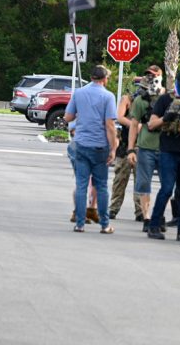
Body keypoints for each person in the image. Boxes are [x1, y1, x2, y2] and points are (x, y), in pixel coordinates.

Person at [64, 65, 117, 234]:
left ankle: (80, 223)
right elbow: (110, 125)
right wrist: (113, 148)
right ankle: (105, 224)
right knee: (101, 186)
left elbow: (68, 117)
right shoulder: (108, 96)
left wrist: (82, 114)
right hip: (99, 146)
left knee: (81, 185)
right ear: (104, 79)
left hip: (81, 144)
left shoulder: (78, 93)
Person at [145, 69, 180, 241]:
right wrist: (166, 118)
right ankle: (153, 226)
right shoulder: (165, 99)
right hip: (168, 149)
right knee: (166, 189)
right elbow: (151, 125)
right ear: (176, 83)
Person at [127, 66, 165, 232]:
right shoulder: (140, 100)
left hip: (166, 148)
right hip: (146, 147)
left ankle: (159, 215)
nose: (152, 78)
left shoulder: (168, 98)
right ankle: (147, 217)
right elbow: (134, 125)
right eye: (149, 75)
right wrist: (130, 149)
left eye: (155, 75)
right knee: (144, 184)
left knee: (167, 185)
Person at [109, 77, 142, 221]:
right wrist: (134, 125)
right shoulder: (127, 99)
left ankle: (140, 211)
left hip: (141, 146)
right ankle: (113, 208)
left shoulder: (150, 101)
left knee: (140, 180)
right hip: (124, 146)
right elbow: (120, 117)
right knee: (120, 180)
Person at [67, 121, 98, 224]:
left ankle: (88, 210)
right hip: (84, 145)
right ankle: (81, 211)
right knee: (84, 182)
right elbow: (74, 129)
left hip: (83, 144)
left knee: (90, 181)